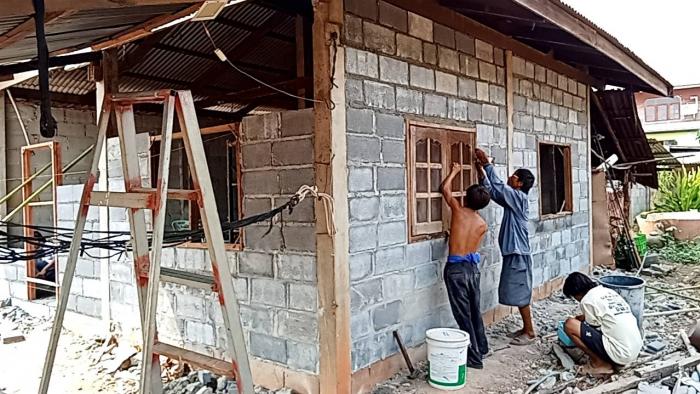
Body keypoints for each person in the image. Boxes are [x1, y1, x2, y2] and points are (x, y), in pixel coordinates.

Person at [474, 148, 537, 346]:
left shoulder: (519, 198)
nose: (510, 177)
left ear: (519, 183)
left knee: (521, 291)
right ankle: (526, 328)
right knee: (518, 290)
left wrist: (487, 164)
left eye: (514, 176)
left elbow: (500, 188)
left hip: (518, 253)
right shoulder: (513, 200)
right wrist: (482, 174)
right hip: (514, 252)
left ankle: (530, 331)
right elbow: (494, 193)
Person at [440, 162, 492, 369]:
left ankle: (474, 357)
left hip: (455, 270)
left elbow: (445, 189)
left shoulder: (458, 212)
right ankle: (482, 347)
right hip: (472, 270)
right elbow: (469, 244)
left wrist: (454, 171)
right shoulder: (482, 224)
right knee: (474, 310)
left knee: (462, 314)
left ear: (466, 198)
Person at [563, 272, 643, 376]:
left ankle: (600, 364)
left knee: (570, 325)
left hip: (621, 354)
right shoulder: (608, 292)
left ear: (576, 293)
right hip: (634, 349)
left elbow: (594, 328)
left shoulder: (587, 300)